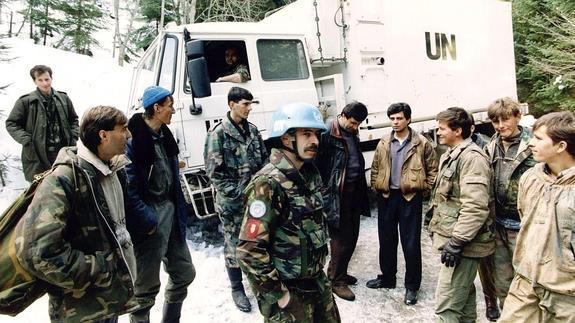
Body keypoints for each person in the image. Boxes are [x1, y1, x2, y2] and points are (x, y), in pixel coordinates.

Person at [15, 105, 136, 322]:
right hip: (79, 312)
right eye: (124, 129)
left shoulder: (112, 170)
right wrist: (99, 270)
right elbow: (37, 251)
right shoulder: (63, 179)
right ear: (103, 135)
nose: (128, 134)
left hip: (106, 303)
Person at [237, 103, 340, 322]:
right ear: (286, 138)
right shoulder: (268, 184)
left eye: (316, 134)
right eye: (306, 134)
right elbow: (249, 251)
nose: (315, 141)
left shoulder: (309, 175)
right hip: (289, 293)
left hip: (316, 284)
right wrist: (281, 296)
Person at [125, 86, 196, 323]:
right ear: (156, 108)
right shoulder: (132, 140)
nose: (173, 110)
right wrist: (147, 219)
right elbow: (129, 188)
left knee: (184, 273)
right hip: (150, 219)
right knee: (144, 290)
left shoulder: (165, 136)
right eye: (170, 106)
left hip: (172, 212)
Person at [499, 111, 575, 322]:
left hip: (566, 294)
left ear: (561, 146)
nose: (530, 143)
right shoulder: (531, 178)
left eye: (539, 139)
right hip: (526, 282)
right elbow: (526, 218)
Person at [204, 86, 269, 312]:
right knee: (234, 245)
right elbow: (215, 173)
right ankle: (236, 288)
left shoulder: (252, 131)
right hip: (232, 203)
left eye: (251, 104)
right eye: (245, 104)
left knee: (258, 240)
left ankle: (260, 283)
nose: (250, 108)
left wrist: (261, 190)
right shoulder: (218, 134)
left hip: (256, 200)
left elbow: (263, 162)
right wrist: (238, 194)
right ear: (232, 105)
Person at [427, 107, 495, 322]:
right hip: (457, 242)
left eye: (442, 129)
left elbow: (475, 206)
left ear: (457, 131)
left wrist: (457, 242)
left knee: (446, 308)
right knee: (463, 304)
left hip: (464, 245)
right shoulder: (452, 154)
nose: (438, 133)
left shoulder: (472, 158)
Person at [367, 102, 438, 306]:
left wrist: (424, 189)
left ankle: (412, 286)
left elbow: (433, 170)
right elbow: (375, 167)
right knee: (386, 240)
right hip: (387, 197)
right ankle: (388, 278)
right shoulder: (383, 142)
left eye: (399, 118)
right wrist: (377, 186)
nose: (395, 122)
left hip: (410, 198)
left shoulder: (421, 143)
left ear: (408, 119)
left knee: (411, 244)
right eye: (392, 118)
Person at [482, 97, 535, 320]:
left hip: (525, 228)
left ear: (517, 117)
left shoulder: (533, 145)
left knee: (529, 283)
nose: (501, 125)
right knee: (503, 281)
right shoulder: (490, 145)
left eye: (505, 119)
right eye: (495, 121)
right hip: (498, 225)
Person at [314, 101, 369, 301]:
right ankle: (336, 281)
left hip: (354, 193)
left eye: (358, 125)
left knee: (352, 236)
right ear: (343, 115)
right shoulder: (326, 133)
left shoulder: (351, 131)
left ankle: (339, 273)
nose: (355, 127)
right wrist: (324, 193)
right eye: (353, 123)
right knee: (340, 240)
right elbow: (315, 168)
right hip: (337, 196)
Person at [6, 64, 79, 182]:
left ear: (51, 78)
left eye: (47, 79)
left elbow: (74, 120)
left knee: (66, 186)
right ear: (34, 81)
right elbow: (11, 123)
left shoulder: (63, 98)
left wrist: (73, 135)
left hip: (63, 152)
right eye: (40, 80)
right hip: (37, 154)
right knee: (39, 191)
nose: (45, 83)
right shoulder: (26, 101)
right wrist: (26, 140)